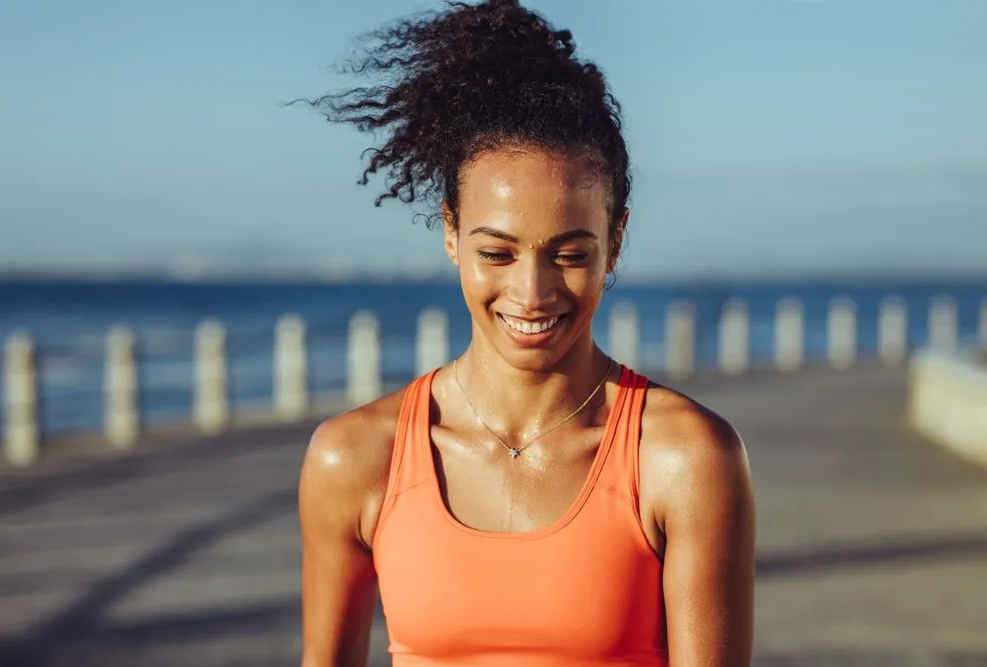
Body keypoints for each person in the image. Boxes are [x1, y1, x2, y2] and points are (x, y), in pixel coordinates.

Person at [297, 1, 755, 665]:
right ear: (451, 231)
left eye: (569, 254)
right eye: (497, 252)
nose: (532, 293)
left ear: (615, 240)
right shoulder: (354, 458)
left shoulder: (685, 459)